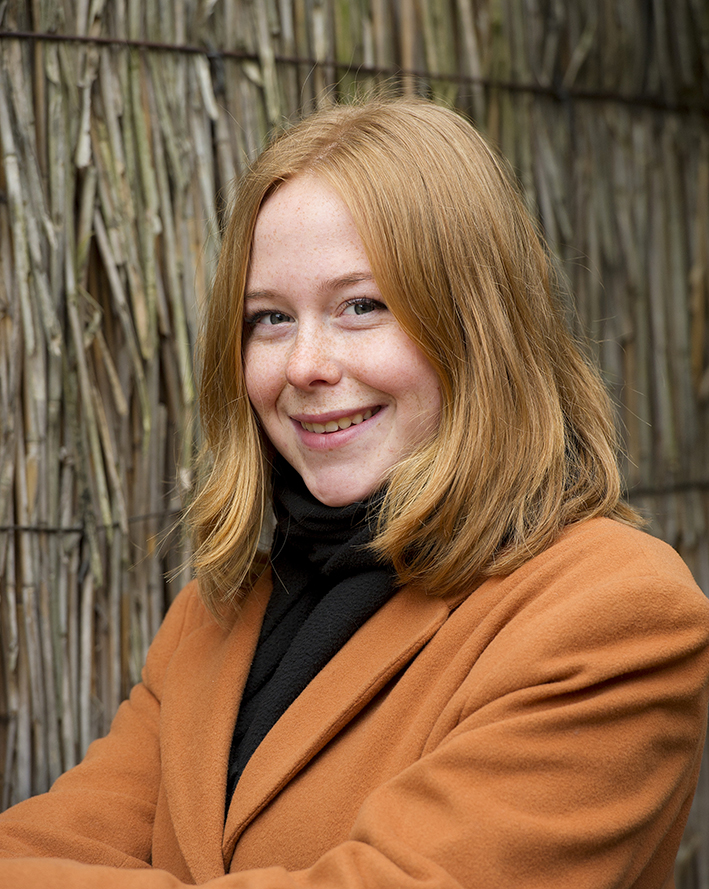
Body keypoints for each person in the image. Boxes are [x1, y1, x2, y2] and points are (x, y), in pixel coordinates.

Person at [0, 97, 707, 889]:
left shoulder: (612, 610)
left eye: (361, 306)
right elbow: (53, 839)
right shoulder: (216, 612)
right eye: (269, 318)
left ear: (476, 327)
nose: (304, 364)